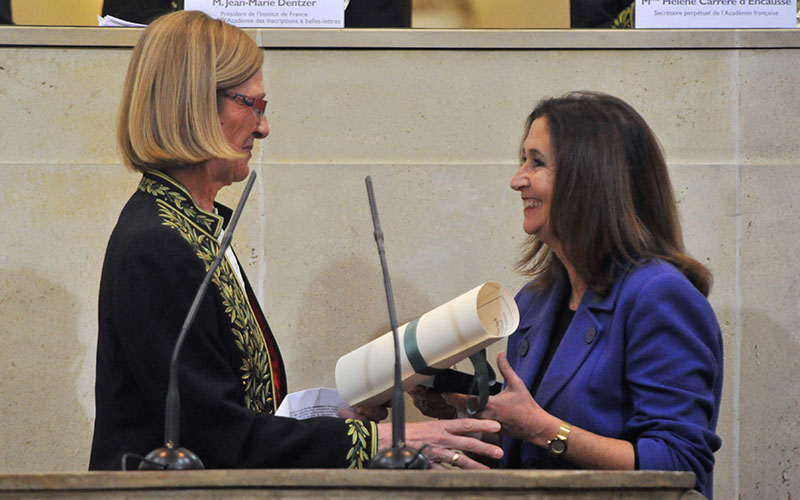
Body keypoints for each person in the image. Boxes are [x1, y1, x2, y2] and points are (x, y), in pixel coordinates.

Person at [89, 10, 503, 471]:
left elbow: (236, 412)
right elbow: (215, 438)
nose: (264, 128)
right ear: (197, 106)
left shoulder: (193, 225)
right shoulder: (159, 243)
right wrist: (374, 440)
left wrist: (328, 421)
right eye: (254, 106)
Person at [411, 92, 723, 498]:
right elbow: (525, 455)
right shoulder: (534, 301)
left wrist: (542, 428)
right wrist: (467, 414)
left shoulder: (659, 297)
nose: (517, 179)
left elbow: (681, 465)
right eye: (523, 160)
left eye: (536, 163)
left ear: (590, 178)